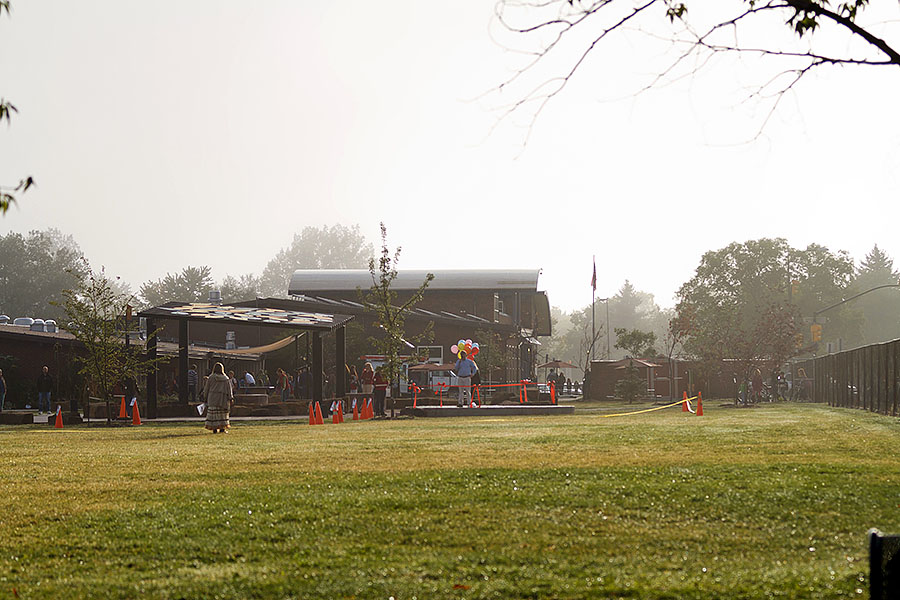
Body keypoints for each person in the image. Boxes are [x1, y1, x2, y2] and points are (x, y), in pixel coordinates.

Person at [201, 362, 233, 433]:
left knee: (214, 414)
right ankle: (222, 428)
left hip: (212, 398)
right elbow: (229, 389)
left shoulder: (211, 377)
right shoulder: (226, 378)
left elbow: (207, 388)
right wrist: (231, 398)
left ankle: (214, 428)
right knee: (222, 414)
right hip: (222, 399)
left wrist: (205, 396)